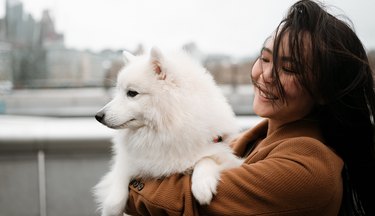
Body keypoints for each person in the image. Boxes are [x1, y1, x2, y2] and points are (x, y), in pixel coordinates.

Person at [124, 0, 375, 215]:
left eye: (288, 69)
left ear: (324, 91)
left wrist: (126, 179)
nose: (266, 74)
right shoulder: (252, 140)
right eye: (265, 58)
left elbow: (178, 201)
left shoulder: (307, 171)